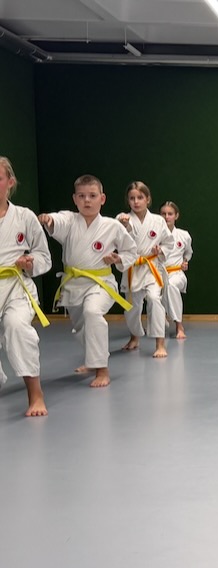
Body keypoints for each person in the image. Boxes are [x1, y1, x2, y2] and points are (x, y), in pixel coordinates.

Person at [38, 175, 137, 388]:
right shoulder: (69, 220)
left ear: (102, 198)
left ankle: (102, 369)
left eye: (92, 196)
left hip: (101, 282)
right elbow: (57, 220)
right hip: (73, 284)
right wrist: (49, 219)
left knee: (92, 312)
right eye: (81, 196)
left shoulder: (112, 226)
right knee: (81, 326)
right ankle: (93, 361)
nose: (87, 201)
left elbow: (131, 251)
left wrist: (118, 258)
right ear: (75, 199)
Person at [0, 156, 52, 417]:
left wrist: (29, 263)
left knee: (17, 326)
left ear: (10, 182)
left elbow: (44, 256)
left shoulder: (24, 217)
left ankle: (35, 394)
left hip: (16, 287)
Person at [117, 182, 174, 357]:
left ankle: (160, 344)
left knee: (154, 299)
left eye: (140, 197)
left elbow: (169, 243)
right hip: (133, 268)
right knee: (132, 307)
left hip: (151, 268)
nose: (136, 202)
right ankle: (135, 337)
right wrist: (124, 225)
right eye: (132, 198)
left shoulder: (158, 220)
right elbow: (118, 241)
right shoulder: (122, 219)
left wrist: (160, 250)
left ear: (147, 199)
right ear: (128, 200)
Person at [160, 201, 193, 339]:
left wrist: (185, 261)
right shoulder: (155, 235)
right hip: (159, 274)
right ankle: (159, 322)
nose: (166, 217)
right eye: (163, 214)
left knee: (171, 286)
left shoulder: (184, 235)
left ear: (176, 216)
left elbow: (188, 252)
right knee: (154, 294)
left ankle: (179, 325)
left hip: (177, 273)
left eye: (170, 214)